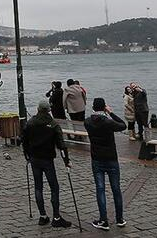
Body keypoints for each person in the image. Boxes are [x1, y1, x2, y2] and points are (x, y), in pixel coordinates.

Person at [21, 100, 72, 228]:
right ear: (48, 110)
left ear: (38, 109)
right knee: (54, 187)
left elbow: (24, 140)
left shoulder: (30, 123)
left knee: (38, 187)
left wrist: (27, 155)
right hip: (47, 159)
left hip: (34, 159)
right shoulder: (53, 124)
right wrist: (67, 161)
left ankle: (43, 216)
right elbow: (61, 145)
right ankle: (56, 217)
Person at [84, 97, 128, 231]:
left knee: (100, 189)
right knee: (116, 189)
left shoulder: (87, 122)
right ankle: (119, 218)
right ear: (104, 108)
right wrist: (110, 113)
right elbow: (123, 125)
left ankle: (103, 220)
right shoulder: (108, 122)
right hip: (111, 158)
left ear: (92, 108)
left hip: (97, 159)